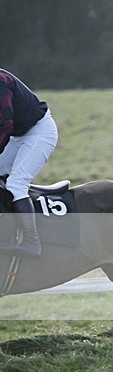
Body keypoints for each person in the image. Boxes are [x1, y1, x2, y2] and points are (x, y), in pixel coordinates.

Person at [0, 68, 58, 256]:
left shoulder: (1, 81)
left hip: (39, 132)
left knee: (16, 183)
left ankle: (31, 242)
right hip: (16, 135)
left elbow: (5, 124)